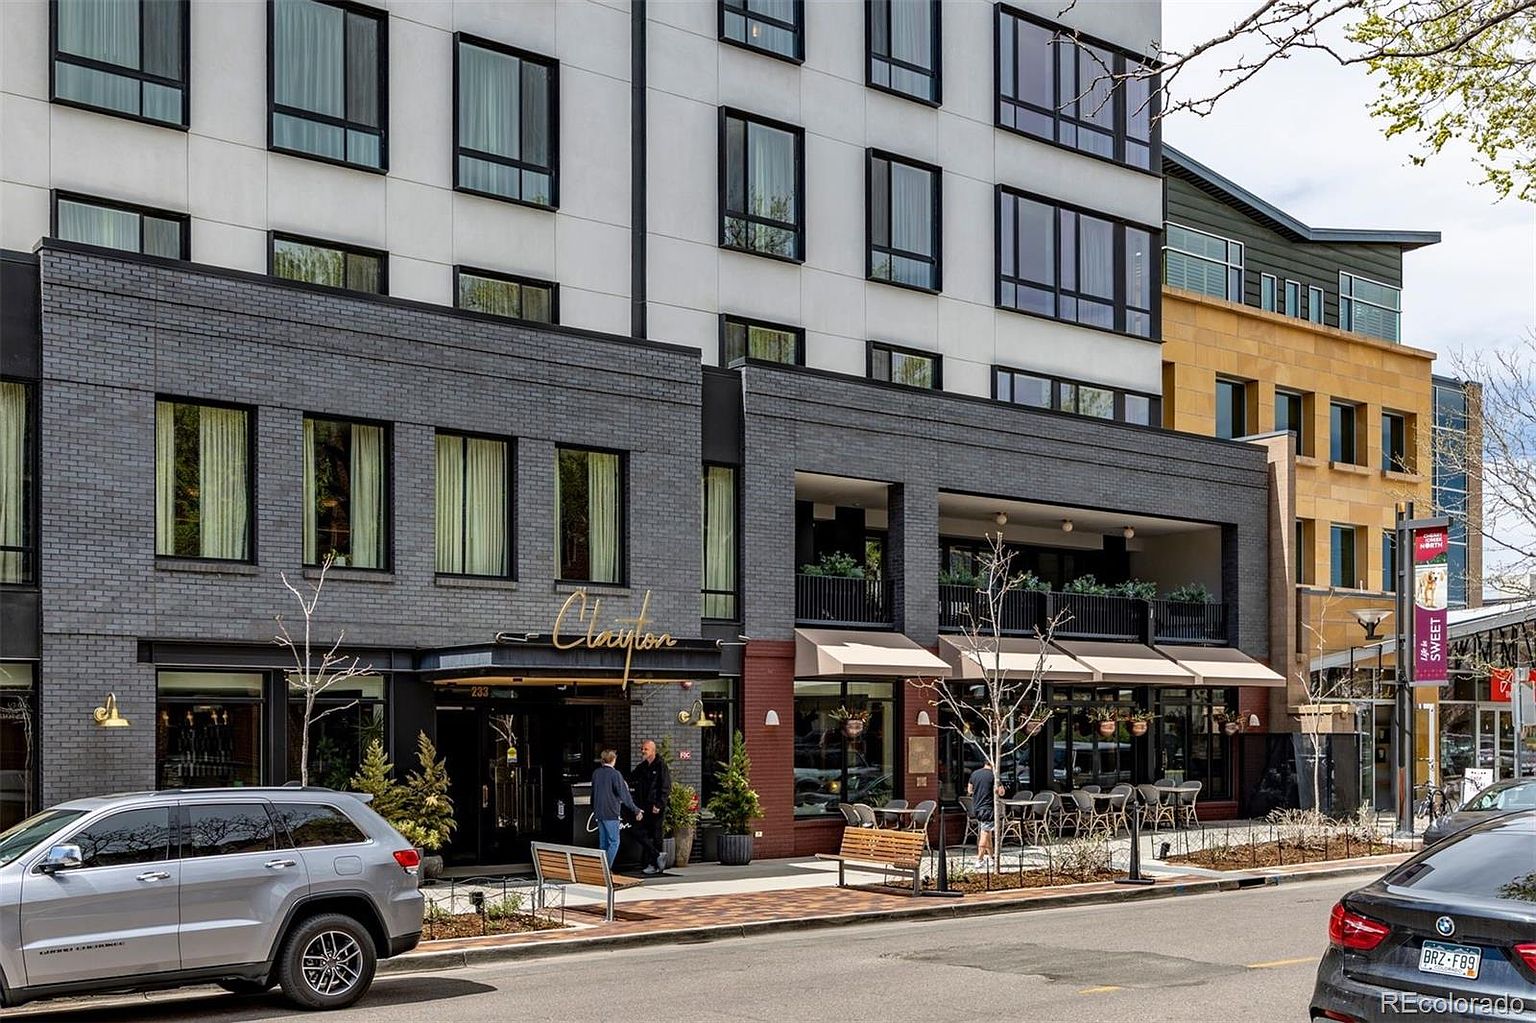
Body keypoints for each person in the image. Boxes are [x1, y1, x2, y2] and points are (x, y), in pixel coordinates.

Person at [591, 749, 640, 868]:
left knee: (603, 843)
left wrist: (594, 808)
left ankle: (602, 867)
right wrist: (636, 809)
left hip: (599, 812)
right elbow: (624, 794)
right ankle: (607, 868)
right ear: (613, 759)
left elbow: (593, 793)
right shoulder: (615, 774)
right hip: (611, 812)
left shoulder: (596, 773)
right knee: (614, 842)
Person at [630, 739, 672, 875]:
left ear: (653, 751)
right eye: (642, 749)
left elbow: (665, 786)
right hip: (643, 806)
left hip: (655, 807)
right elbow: (630, 778)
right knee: (637, 831)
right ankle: (656, 857)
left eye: (645, 749)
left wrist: (659, 804)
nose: (642, 751)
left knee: (656, 834)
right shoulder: (642, 767)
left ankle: (655, 865)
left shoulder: (661, 766)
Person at [967, 760, 1002, 871]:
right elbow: (1001, 792)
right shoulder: (994, 776)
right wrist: (996, 790)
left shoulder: (974, 774)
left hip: (977, 808)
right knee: (985, 833)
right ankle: (980, 859)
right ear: (993, 764)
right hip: (988, 808)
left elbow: (969, 790)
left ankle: (991, 858)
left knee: (988, 834)